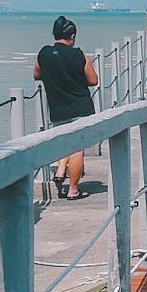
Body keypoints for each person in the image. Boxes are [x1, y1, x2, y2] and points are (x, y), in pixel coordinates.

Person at [32, 15, 99, 198]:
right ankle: (73, 190)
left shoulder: (44, 53)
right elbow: (93, 80)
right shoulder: (78, 54)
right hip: (81, 108)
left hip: (58, 108)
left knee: (64, 145)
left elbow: (36, 74)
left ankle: (61, 170)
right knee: (77, 148)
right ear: (73, 35)